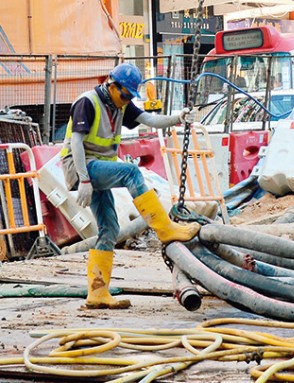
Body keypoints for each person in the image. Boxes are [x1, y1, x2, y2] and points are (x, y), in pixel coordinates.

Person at [60, 62, 201, 310]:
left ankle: (98, 293)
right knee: (130, 172)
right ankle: (165, 229)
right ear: (112, 86)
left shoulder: (119, 105)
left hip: (98, 169)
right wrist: (83, 179)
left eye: (129, 97)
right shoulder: (88, 102)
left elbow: (148, 119)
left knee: (109, 230)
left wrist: (178, 118)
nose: (126, 101)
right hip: (81, 166)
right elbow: (77, 144)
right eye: (124, 95)